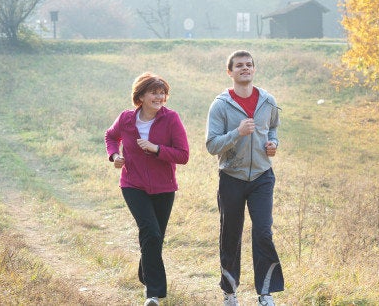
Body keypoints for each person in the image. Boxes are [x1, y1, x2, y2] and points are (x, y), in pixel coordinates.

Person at [206, 50, 283, 306]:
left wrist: (273, 143)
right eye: (239, 66)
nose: (245, 68)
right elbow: (212, 145)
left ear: (254, 69)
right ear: (230, 72)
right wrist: (237, 133)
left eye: (249, 65)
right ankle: (230, 291)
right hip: (232, 177)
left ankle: (265, 293)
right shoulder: (220, 105)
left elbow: (272, 128)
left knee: (263, 232)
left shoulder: (268, 101)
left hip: (262, 176)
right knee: (231, 234)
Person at [105, 72, 189, 306]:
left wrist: (156, 149)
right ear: (140, 96)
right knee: (150, 232)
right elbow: (111, 136)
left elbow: (183, 155)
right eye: (154, 92)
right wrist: (114, 155)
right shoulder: (126, 119)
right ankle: (153, 293)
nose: (159, 96)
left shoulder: (171, 119)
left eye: (162, 92)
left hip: (164, 188)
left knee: (155, 237)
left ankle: (145, 273)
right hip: (133, 185)